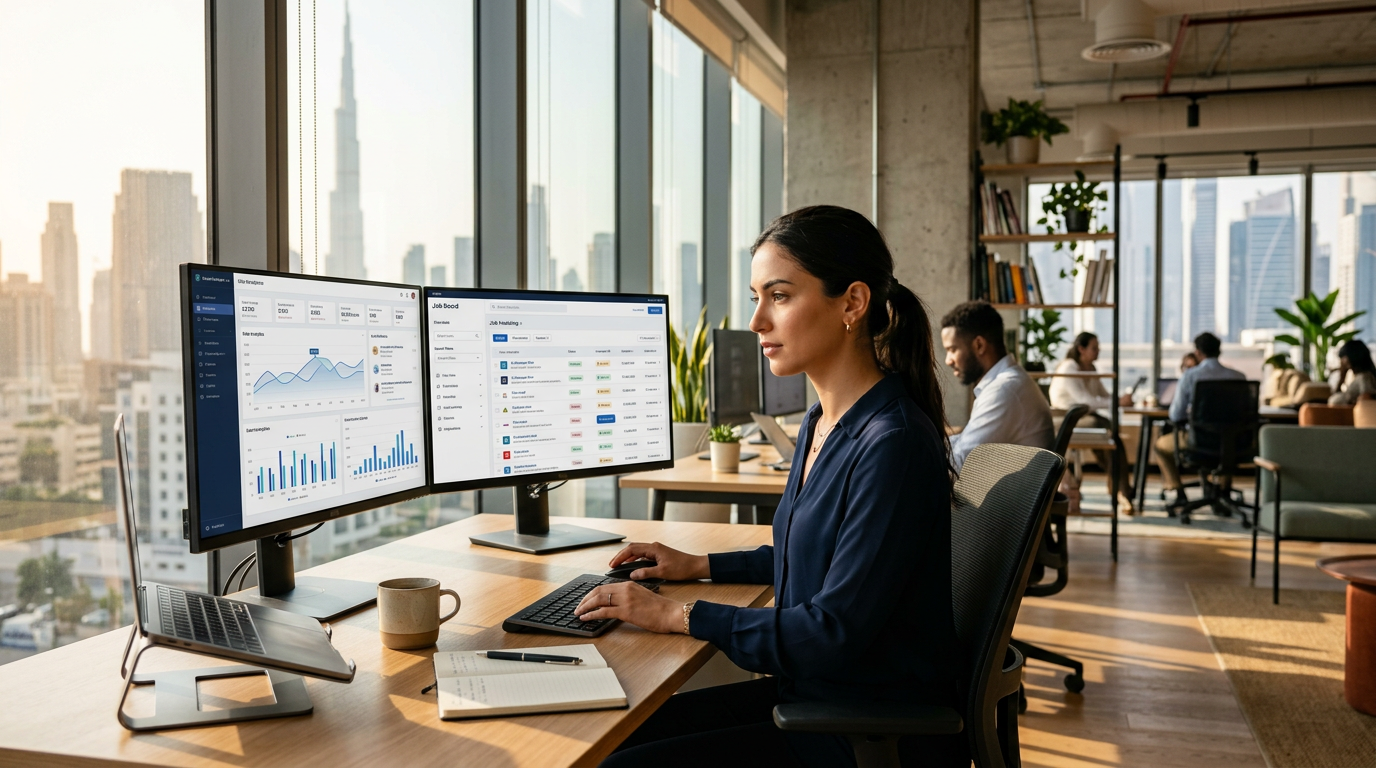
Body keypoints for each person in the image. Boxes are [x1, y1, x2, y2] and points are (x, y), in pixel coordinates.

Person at [581, 206, 967, 768]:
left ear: (852, 304)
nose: (758, 320)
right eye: (758, 297)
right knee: (620, 729)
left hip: (863, 730)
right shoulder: (822, 422)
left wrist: (677, 615)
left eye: (779, 296)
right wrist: (698, 565)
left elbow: (833, 629)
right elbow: (812, 556)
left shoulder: (893, 443)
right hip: (814, 696)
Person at [941, 300, 1054, 472]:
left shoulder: (1004, 390)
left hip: (1001, 497)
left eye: (952, 349)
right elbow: (965, 444)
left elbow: (961, 464)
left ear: (979, 345)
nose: (948, 360)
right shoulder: (1010, 383)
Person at [1152, 332, 1244, 507]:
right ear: (1219, 351)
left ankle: (1178, 492)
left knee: (1160, 446)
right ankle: (1222, 491)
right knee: (1227, 437)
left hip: (1199, 440)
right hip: (1234, 442)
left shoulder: (1191, 376)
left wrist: (1194, 414)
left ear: (1198, 353)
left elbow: (1175, 415)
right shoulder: (1238, 377)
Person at [1048, 332, 1134, 509]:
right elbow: (1085, 401)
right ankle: (1121, 489)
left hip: (1084, 417)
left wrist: (1120, 400)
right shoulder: (1069, 368)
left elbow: (1103, 396)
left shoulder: (1091, 369)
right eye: (1094, 348)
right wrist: (1117, 402)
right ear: (1081, 349)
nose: (1098, 351)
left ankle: (1120, 488)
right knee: (1102, 427)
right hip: (1066, 420)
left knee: (1112, 435)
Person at [1329, 339, 1376, 405]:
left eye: (1343, 358)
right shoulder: (1358, 377)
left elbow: (1367, 399)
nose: (1341, 362)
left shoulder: (1364, 377)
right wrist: (1342, 378)